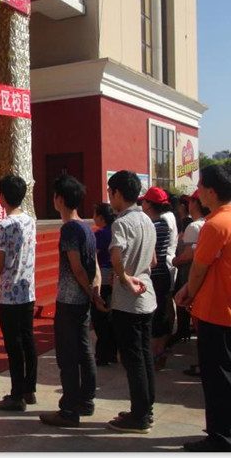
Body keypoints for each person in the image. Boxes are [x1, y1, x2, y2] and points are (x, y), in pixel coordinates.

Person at [175, 164, 231, 452]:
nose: (197, 192)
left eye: (199, 187)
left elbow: (199, 268)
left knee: (217, 379)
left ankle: (220, 437)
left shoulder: (216, 224)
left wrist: (188, 292)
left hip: (216, 312)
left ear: (211, 191)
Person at [40, 175, 100, 428]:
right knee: (84, 350)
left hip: (70, 300)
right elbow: (94, 265)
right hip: (82, 301)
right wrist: (94, 292)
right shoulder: (86, 227)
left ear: (60, 199)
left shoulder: (69, 229)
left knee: (67, 356)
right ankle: (86, 401)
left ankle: (69, 410)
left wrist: (88, 292)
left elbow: (76, 268)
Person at [106, 170, 157, 434]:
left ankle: (139, 416)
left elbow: (116, 258)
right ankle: (145, 409)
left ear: (117, 193)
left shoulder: (122, 223)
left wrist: (125, 277)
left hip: (129, 301)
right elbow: (153, 260)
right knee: (145, 355)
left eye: (110, 192)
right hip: (147, 297)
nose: (109, 198)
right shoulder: (147, 220)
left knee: (133, 359)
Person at [0, 174, 37, 412]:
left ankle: (17, 395)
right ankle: (29, 389)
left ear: (2, 197)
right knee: (28, 340)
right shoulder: (30, 221)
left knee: (13, 345)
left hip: (10, 293)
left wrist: (0, 275)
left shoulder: (4, 225)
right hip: (28, 290)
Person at [139, 186, 177, 370]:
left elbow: (150, 257)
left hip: (154, 275)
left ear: (149, 205)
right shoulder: (163, 223)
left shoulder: (152, 225)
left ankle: (155, 354)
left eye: (144, 201)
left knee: (154, 316)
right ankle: (160, 352)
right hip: (164, 273)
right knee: (161, 313)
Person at [171, 190, 209, 346]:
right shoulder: (206, 223)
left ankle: (183, 331)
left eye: (190, 202)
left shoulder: (194, 226)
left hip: (190, 273)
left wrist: (176, 260)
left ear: (195, 204)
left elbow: (189, 254)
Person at [91, 202, 118, 366]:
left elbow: (93, 256)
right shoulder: (115, 231)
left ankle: (103, 354)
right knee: (110, 317)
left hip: (103, 277)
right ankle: (112, 352)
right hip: (114, 276)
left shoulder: (101, 234)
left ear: (101, 217)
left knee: (101, 319)